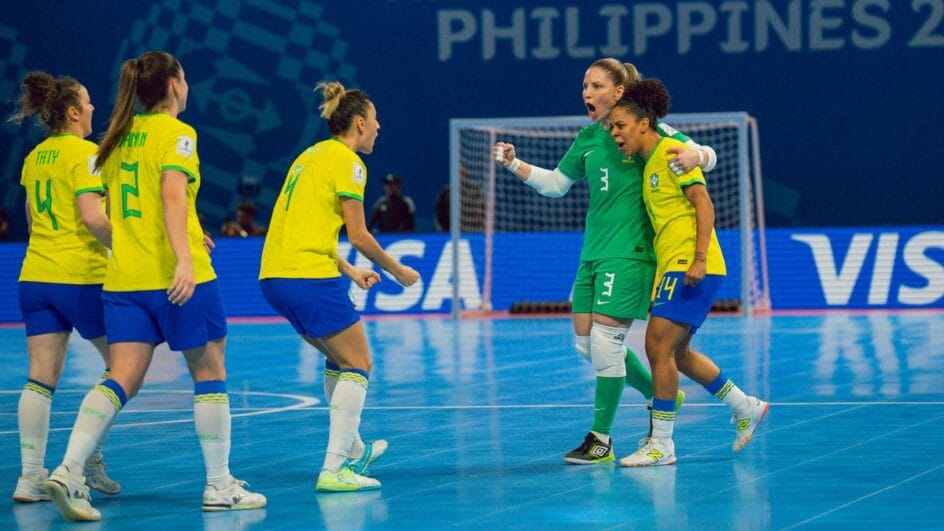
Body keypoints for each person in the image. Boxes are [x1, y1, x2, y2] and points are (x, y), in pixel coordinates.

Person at [43, 50, 266, 522]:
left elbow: (140, 205)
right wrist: (185, 258)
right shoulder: (179, 134)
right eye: (184, 78)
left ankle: (68, 468)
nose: (187, 85)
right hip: (176, 277)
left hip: (125, 277)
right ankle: (219, 485)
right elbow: (168, 193)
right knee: (209, 370)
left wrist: (192, 227)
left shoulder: (116, 139)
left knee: (120, 377)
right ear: (173, 86)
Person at [493, 58, 718, 464]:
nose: (586, 93)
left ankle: (601, 440)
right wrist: (514, 164)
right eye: (584, 85)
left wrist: (699, 157)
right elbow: (556, 185)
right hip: (592, 252)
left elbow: (701, 152)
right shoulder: (589, 137)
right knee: (586, 344)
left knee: (606, 342)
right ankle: (660, 393)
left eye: (595, 85)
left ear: (618, 93)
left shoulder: (646, 129)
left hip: (630, 253)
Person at [259, 81, 419, 492]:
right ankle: (334, 469)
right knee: (359, 364)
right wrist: (398, 270)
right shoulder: (350, 163)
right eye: (376, 121)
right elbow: (360, 234)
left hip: (275, 276)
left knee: (338, 359)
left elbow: (308, 228)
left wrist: (349, 271)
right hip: (307, 276)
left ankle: (353, 451)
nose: (380, 128)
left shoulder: (309, 156)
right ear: (360, 123)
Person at [608, 79, 768, 466]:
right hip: (676, 265)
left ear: (643, 124)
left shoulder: (671, 154)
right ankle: (745, 405)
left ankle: (661, 443)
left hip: (691, 265)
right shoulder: (649, 165)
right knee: (677, 354)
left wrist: (698, 258)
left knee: (656, 348)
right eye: (611, 127)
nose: (614, 134)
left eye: (620, 126)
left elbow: (704, 203)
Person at [9, 71, 120, 504]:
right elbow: (94, 219)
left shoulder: (35, 157)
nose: (94, 109)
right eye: (89, 103)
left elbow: (33, 220)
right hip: (80, 278)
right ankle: (85, 458)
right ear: (73, 112)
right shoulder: (87, 154)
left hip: (34, 277)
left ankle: (30, 477)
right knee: (123, 368)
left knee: (40, 379)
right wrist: (129, 252)